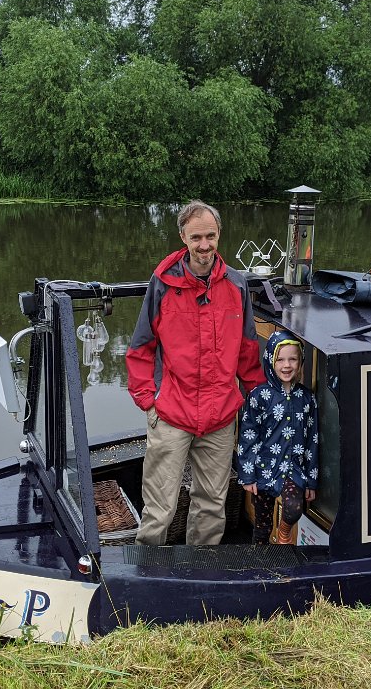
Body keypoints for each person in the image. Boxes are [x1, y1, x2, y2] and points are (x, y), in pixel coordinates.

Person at [126, 200, 264, 546]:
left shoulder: (237, 285)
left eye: (211, 236)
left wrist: (258, 401)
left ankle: (199, 575)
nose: (205, 246)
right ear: (183, 237)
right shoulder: (162, 284)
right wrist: (148, 399)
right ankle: (145, 573)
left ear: (220, 236)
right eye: (197, 237)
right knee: (159, 507)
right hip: (172, 411)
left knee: (212, 506)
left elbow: (248, 352)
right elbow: (141, 347)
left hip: (220, 416)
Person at [237, 330, 319, 545]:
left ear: (300, 362)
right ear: (271, 361)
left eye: (293, 359)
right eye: (280, 359)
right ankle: (260, 565)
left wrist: (311, 480)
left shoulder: (307, 398)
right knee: (261, 526)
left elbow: (312, 439)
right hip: (264, 468)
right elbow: (248, 436)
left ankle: (283, 534)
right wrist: (248, 476)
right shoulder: (259, 396)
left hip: (294, 468)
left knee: (293, 509)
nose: (286, 365)